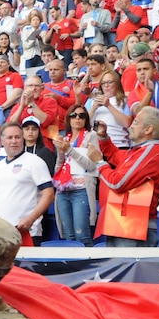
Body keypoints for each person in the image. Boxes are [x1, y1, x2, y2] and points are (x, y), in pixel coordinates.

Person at [88, 107, 159, 247]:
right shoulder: (141, 150)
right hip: (122, 224)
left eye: (135, 122)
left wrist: (99, 163)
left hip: (133, 228)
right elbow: (117, 156)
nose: (130, 126)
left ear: (148, 129)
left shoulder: (150, 151)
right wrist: (104, 138)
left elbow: (118, 183)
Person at [0, 123, 55, 246]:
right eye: (10, 137)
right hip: (3, 233)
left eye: (17, 137)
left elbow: (49, 193)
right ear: (2, 141)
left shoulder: (35, 162)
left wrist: (31, 219)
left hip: (27, 231)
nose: (14, 141)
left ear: (23, 139)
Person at [52, 105, 99, 246]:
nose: (77, 118)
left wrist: (70, 150)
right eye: (74, 115)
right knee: (68, 236)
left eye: (81, 115)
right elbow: (58, 170)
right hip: (63, 190)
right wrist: (61, 153)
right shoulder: (65, 138)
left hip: (81, 190)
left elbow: (92, 165)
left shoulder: (91, 136)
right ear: (68, 119)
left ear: (86, 119)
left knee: (82, 235)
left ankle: (87, 267)